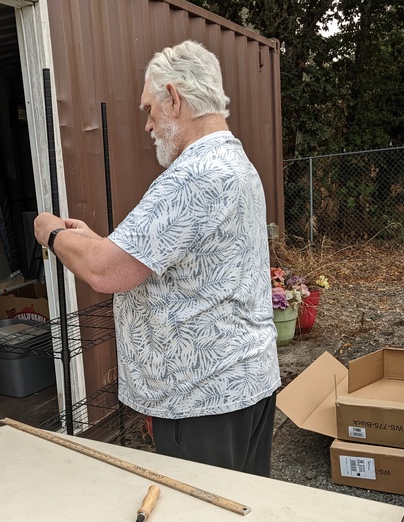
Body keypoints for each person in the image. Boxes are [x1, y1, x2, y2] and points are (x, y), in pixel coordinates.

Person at [33, 40, 280, 476]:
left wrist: (51, 233)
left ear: (175, 98)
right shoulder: (234, 161)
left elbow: (105, 271)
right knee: (240, 516)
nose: (147, 124)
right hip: (243, 383)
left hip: (202, 402)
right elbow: (149, 253)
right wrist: (96, 239)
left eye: (150, 108)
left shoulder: (192, 176)